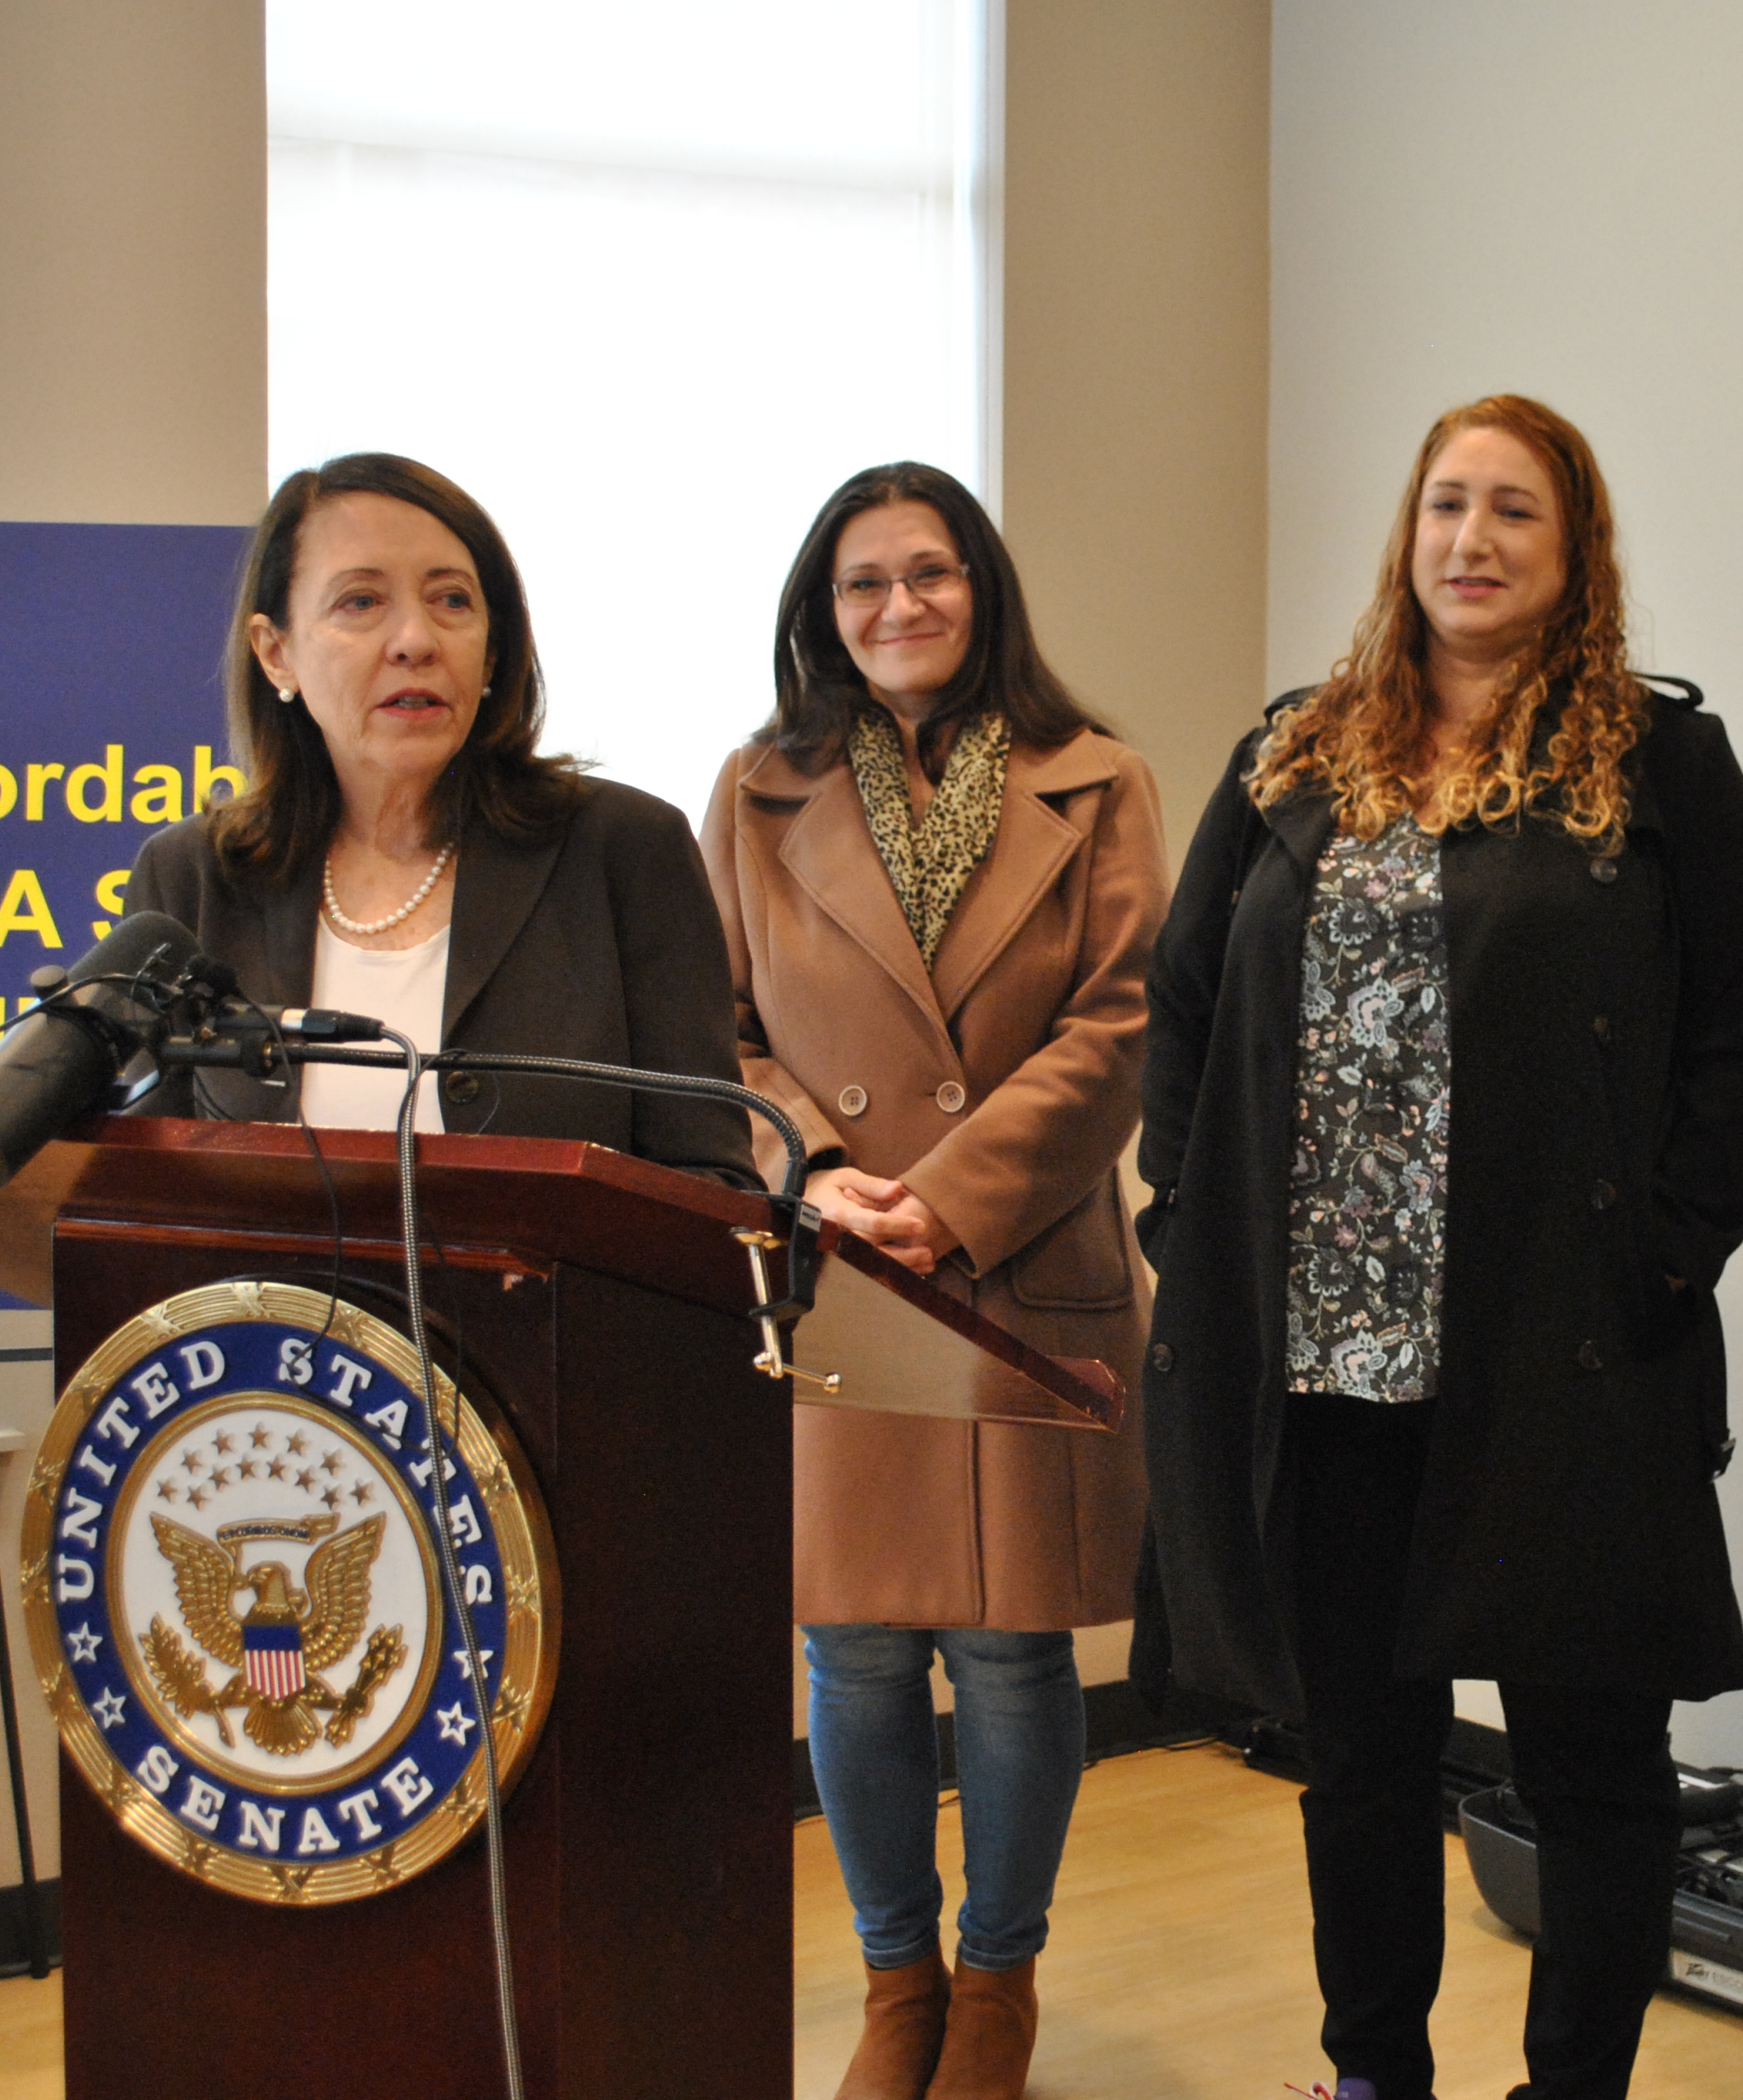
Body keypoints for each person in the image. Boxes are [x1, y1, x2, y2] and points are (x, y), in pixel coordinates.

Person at [1135, 394, 1743, 2100]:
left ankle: (1569, 2087)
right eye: (1446, 505)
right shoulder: (1291, 752)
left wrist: (1660, 1259)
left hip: (1557, 1354)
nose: (1472, 542)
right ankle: (1373, 2073)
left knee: (1590, 1757)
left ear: (1573, 554)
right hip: (1330, 1354)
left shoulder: (1664, 769)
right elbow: (1186, 1001)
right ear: (1405, 533)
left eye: (1515, 512)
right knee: (1360, 1752)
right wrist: (1178, 1210)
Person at [699, 462, 1166, 2100]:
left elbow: (1119, 1025)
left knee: (1015, 1653)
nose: (898, 608)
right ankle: (897, 1986)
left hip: (1022, 1257)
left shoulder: (1096, 781)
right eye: (862, 584)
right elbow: (716, 1033)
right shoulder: (755, 790)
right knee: (858, 1650)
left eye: (930, 574)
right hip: (838, 1266)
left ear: (983, 589)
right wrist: (813, 1175)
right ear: (822, 614)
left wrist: (949, 1198)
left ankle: (996, 1989)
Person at [125, 450, 753, 1186]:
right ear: (276, 654)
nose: (416, 640)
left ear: (491, 653)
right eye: (360, 602)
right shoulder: (193, 878)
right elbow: (135, 1188)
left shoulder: (624, 851)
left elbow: (712, 1183)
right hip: (267, 1307)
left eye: (452, 601)